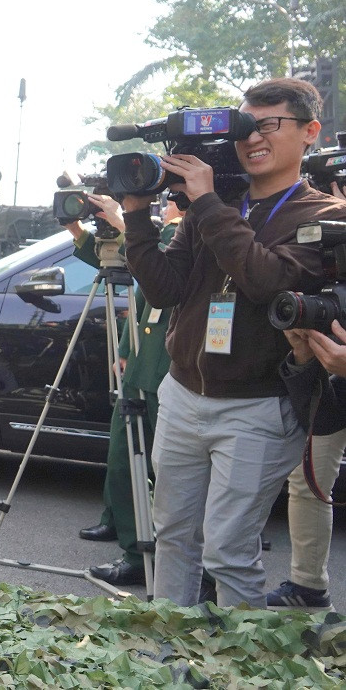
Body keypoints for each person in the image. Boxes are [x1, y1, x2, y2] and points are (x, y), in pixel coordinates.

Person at [121, 77, 346, 607]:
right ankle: (169, 645)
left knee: (227, 550)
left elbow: (266, 280)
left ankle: (238, 655)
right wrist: (135, 216)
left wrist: (206, 202)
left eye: (268, 125)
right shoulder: (218, 206)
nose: (252, 138)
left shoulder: (325, 215)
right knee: (173, 535)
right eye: (244, 127)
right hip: (182, 394)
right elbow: (166, 289)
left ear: (310, 131)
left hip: (258, 407)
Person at [68, 196, 186, 585]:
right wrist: (76, 228)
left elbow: (159, 268)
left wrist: (125, 221)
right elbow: (137, 293)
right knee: (123, 458)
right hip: (142, 361)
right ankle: (133, 545)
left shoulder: (186, 233)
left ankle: (152, 557)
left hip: (168, 367)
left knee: (163, 471)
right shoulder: (160, 233)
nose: (166, 204)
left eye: (171, 197)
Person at [267, 311, 346, 610]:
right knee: (307, 479)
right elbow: (324, 421)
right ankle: (308, 588)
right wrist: (303, 353)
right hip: (334, 374)